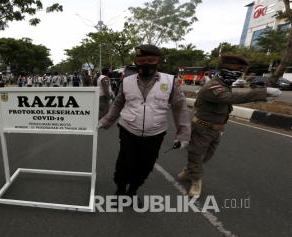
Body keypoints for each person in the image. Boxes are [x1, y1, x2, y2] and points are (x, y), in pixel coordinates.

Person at [178, 55, 282, 197]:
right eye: (233, 71)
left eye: (239, 72)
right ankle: (196, 180)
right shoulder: (212, 87)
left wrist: (220, 127)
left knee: (207, 155)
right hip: (202, 128)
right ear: (223, 70)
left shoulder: (224, 85)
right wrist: (262, 93)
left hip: (216, 128)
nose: (236, 75)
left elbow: (224, 106)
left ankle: (190, 170)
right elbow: (230, 98)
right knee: (196, 155)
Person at [98, 44, 191, 201]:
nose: (146, 63)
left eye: (151, 60)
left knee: (145, 166)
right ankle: (120, 190)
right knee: (124, 163)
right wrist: (105, 121)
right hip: (128, 129)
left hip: (155, 133)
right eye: (141, 60)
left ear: (158, 61)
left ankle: (133, 191)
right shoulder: (126, 81)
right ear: (136, 61)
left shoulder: (170, 81)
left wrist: (183, 134)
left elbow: (180, 108)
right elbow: (118, 104)